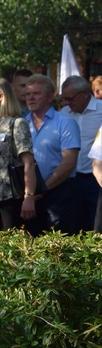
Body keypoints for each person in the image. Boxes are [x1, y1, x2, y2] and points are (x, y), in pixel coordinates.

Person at [0, 78, 38, 231]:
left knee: (11, 245)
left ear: (0, 96)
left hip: (9, 197)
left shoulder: (17, 123)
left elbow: (28, 163)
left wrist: (29, 196)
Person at [25, 74, 80, 235]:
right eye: (28, 94)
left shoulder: (65, 123)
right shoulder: (21, 123)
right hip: (28, 195)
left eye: (36, 93)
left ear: (50, 97)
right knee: (29, 245)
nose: (31, 98)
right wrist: (31, 194)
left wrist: (43, 189)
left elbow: (69, 162)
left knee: (58, 245)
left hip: (58, 193)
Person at [59, 75, 102, 232]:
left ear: (85, 93)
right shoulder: (64, 113)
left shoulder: (101, 109)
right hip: (70, 180)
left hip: (95, 180)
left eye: (70, 99)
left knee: (95, 226)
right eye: (65, 99)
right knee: (74, 226)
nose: (67, 103)